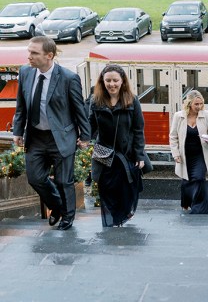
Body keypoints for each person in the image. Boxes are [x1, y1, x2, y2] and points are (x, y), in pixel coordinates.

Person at [12, 36, 91, 231]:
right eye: (28, 51)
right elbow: (21, 106)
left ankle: (68, 218)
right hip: (36, 137)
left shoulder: (68, 78)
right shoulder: (25, 72)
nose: (29, 56)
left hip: (62, 138)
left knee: (65, 181)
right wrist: (17, 131)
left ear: (49, 55)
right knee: (35, 178)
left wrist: (86, 136)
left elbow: (79, 109)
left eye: (34, 53)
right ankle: (58, 207)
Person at [89, 64, 145, 227]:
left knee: (125, 189)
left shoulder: (132, 100)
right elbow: (91, 125)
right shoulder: (96, 100)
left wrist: (139, 154)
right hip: (103, 153)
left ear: (122, 82)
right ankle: (114, 220)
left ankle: (121, 217)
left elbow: (138, 129)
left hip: (126, 154)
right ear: (102, 81)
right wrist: (84, 139)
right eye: (108, 80)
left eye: (115, 80)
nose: (111, 84)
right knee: (106, 188)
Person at [169, 90, 208, 214]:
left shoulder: (206, 115)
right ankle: (186, 202)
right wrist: (175, 154)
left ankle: (199, 209)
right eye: (196, 104)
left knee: (199, 178)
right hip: (184, 154)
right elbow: (173, 136)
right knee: (187, 180)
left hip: (201, 153)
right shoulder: (178, 116)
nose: (199, 107)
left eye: (201, 104)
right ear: (189, 104)